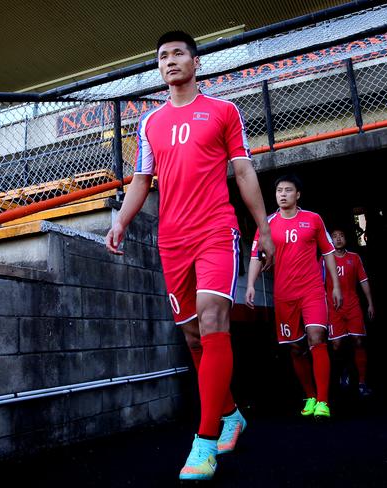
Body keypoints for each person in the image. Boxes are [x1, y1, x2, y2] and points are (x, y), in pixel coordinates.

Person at [105, 31, 275, 481]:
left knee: (213, 320)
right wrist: (121, 220)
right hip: (172, 240)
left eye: (178, 53)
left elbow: (242, 170)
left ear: (196, 62)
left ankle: (204, 444)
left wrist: (263, 228)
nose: (170, 60)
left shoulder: (224, 112)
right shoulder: (149, 123)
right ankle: (232, 414)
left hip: (217, 231)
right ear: (158, 68)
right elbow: (142, 180)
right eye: (162, 56)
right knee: (194, 338)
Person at [245, 174, 342, 420]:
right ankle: (310, 395)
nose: (283, 194)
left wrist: (336, 286)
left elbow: (329, 252)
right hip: (284, 295)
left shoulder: (313, 219)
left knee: (316, 338)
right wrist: (250, 285)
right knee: (296, 348)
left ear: (298, 194)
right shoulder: (266, 224)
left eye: (288, 190)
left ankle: (323, 401)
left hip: (312, 290)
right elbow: (256, 255)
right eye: (279, 191)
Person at [326, 229, 375, 397]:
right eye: (334, 236)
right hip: (334, 308)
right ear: (330, 240)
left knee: (358, 341)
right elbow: (316, 283)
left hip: (353, 306)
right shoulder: (325, 259)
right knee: (337, 345)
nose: (338, 239)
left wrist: (370, 303)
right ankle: (344, 372)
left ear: (346, 239)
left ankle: (362, 382)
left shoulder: (354, 258)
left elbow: (363, 281)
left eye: (341, 235)